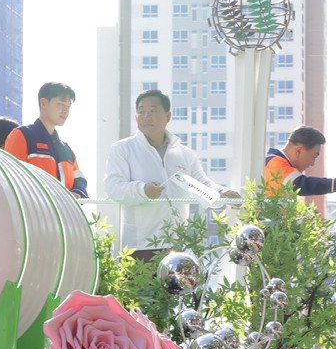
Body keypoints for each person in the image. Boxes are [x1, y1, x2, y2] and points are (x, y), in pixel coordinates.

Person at [102, 89, 240, 250]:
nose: (146, 116)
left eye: (153, 111)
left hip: (177, 243)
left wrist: (221, 192)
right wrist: (143, 190)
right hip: (139, 246)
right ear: (136, 117)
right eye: (141, 111)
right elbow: (113, 188)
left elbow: (202, 182)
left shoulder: (184, 153)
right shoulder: (122, 149)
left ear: (168, 116)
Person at [4, 82, 88, 197]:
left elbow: (79, 180)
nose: (66, 110)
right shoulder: (22, 135)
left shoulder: (67, 151)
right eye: (61, 104)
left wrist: (76, 194)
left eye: (68, 106)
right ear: (43, 103)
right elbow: (11, 179)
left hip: (62, 214)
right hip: (32, 212)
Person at [263, 126, 336, 197]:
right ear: (298, 151)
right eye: (314, 156)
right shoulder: (274, 163)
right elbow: (303, 184)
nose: (312, 164)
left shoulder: (273, 160)